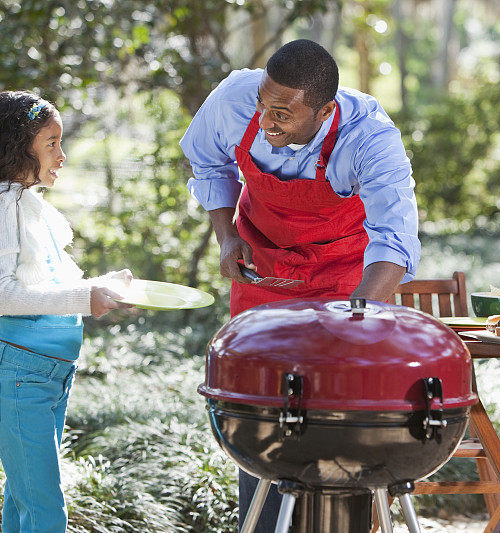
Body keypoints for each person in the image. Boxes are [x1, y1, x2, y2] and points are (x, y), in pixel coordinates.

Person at [180, 39, 420, 531]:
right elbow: (208, 162)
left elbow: (394, 241)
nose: (268, 122)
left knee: (339, 409)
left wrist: (359, 319)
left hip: (344, 279)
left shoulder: (370, 138)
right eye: (264, 106)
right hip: (262, 268)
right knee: (260, 406)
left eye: (284, 115)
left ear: (326, 110)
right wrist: (227, 238)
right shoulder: (233, 99)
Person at [0, 91, 133, 533]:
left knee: (25, 504)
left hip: (48, 375)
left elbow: (44, 287)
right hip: (20, 378)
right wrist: (83, 299)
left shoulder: (25, 203)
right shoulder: (0, 202)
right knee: (46, 514)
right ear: (17, 145)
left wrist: (98, 287)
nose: (62, 155)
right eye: (51, 143)